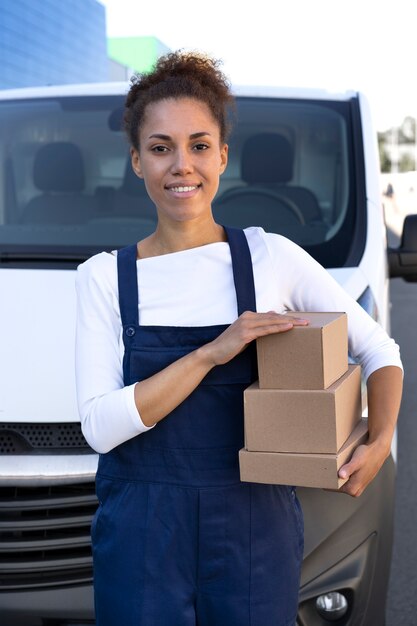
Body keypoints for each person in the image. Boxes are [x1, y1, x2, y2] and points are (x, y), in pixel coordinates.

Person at [75, 51, 403, 626]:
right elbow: (101, 427)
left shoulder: (269, 257)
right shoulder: (104, 277)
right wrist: (211, 353)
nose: (182, 166)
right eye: (160, 148)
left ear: (222, 156)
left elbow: (380, 350)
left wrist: (378, 443)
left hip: (254, 524)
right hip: (142, 534)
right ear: (135, 160)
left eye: (199, 145)